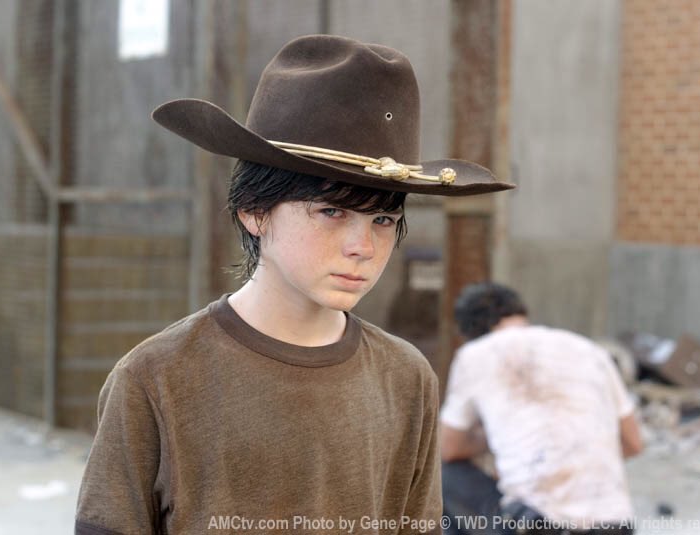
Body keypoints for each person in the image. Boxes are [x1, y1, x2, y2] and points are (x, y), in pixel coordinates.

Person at [74, 35, 514, 534]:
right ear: (254, 210)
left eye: (383, 220)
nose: (363, 247)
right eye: (331, 211)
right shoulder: (156, 377)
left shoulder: (407, 377)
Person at [440, 283, 642, 535]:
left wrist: (494, 441)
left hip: (538, 525)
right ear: (521, 314)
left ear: (469, 332)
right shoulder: (590, 350)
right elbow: (633, 443)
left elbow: (450, 448)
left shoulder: (475, 355)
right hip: (615, 525)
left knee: (442, 478)